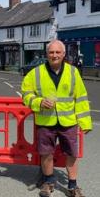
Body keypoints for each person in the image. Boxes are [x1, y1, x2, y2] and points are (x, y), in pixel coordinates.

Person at [21, 39, 92, 197]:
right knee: (46, 154)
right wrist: (38, 102)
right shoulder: (36, 73)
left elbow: (80, 98)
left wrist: (85, 122)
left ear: (64, 54)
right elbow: (26, 94)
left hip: (69, 122)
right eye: (51, 52)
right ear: (46, 54)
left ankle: (72, 186)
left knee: (72, 154)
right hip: (46, 121)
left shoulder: (73, 72)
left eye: (58, 52)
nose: (54, 55)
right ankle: (49, 182)